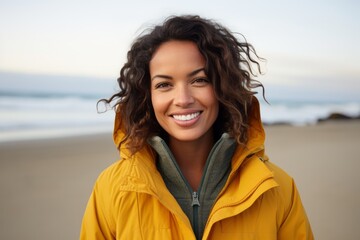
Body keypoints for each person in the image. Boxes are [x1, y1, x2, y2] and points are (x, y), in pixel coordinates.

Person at [80, 15, 313, 239]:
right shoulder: (111, 189)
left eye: (199, 80)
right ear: (146, 95)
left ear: (223, 86)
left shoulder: (277, 188)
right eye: (164, 84)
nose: (182, 99)